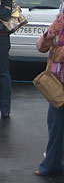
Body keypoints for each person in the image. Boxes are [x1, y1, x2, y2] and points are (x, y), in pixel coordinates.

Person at [35, 13, 64, 177]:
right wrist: (50, 34)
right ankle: (52, 165)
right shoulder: (60, 20)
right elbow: (41, 47)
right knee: (55, 125)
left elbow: (58, 53)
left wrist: (59, 51)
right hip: (57, 82)